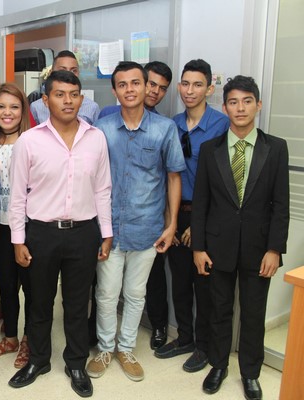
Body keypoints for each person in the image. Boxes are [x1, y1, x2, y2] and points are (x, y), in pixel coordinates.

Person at [8, 70, 113, 398]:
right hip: (41, 233)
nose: (68, 101)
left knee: (77, 304)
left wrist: (106, 233)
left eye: (74, 94)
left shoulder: (96, 138)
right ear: (45, 100)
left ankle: (76, 363)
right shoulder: (29, 141)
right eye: (60, 94)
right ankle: (38, 360)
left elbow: (103, 189)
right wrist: (18, 240)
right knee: (39, 302)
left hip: (84, 233)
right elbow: (17, 196)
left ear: (81, 99)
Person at [192, 75, 289, 400]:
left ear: (258, 105)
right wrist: (198, 248)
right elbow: (202, 203)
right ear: (225, 107)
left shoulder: (276, 148)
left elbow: (281, 204)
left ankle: (250, 373)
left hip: (259, 249)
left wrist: (275, 249)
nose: (240, 108)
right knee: (219, 310)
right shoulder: (210, 149)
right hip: (217, 246)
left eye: (247, 101)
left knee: (253, 313)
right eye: (233, 102)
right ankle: (218, 366)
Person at [88, 61, 184, 382]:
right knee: (106, 293)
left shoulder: (164, 129)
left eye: (135, 83)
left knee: (135, 294)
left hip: (147, 228)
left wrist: (171, 225)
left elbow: (173, 177)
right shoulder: (102, 129)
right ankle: (105, 347)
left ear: (146, 87)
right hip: (109, 230)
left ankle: (126, 348)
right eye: (122, 84)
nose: (129, 89)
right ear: (114, 91)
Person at [154, 59, 229, 372]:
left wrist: (199, 223)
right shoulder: (172, 124)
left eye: (198, 85)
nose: (190, 90)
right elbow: (168, 175)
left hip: (206, 217)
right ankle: (184, 337)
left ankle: (204, 346)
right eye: (185, 84)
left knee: (204, 285)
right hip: (176, 213)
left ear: (209, 89)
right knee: (180, 281)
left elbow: (221, 182)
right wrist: (170, 221)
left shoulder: (221, 125)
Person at [0, 83, 33, 369]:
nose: (7, 112)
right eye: (1, 106)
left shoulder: (33, 141)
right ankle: (10, 337)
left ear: (23, 111)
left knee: (32, 287)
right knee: (6, 284)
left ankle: (29, 339)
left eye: (14, 107)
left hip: (29, 226)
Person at [29, 50, 100, 125]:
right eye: (62, 70)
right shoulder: (36, 107)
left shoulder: (92, 107)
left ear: (78, 73)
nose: (68, 74)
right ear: (51, 73)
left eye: (74, 70)